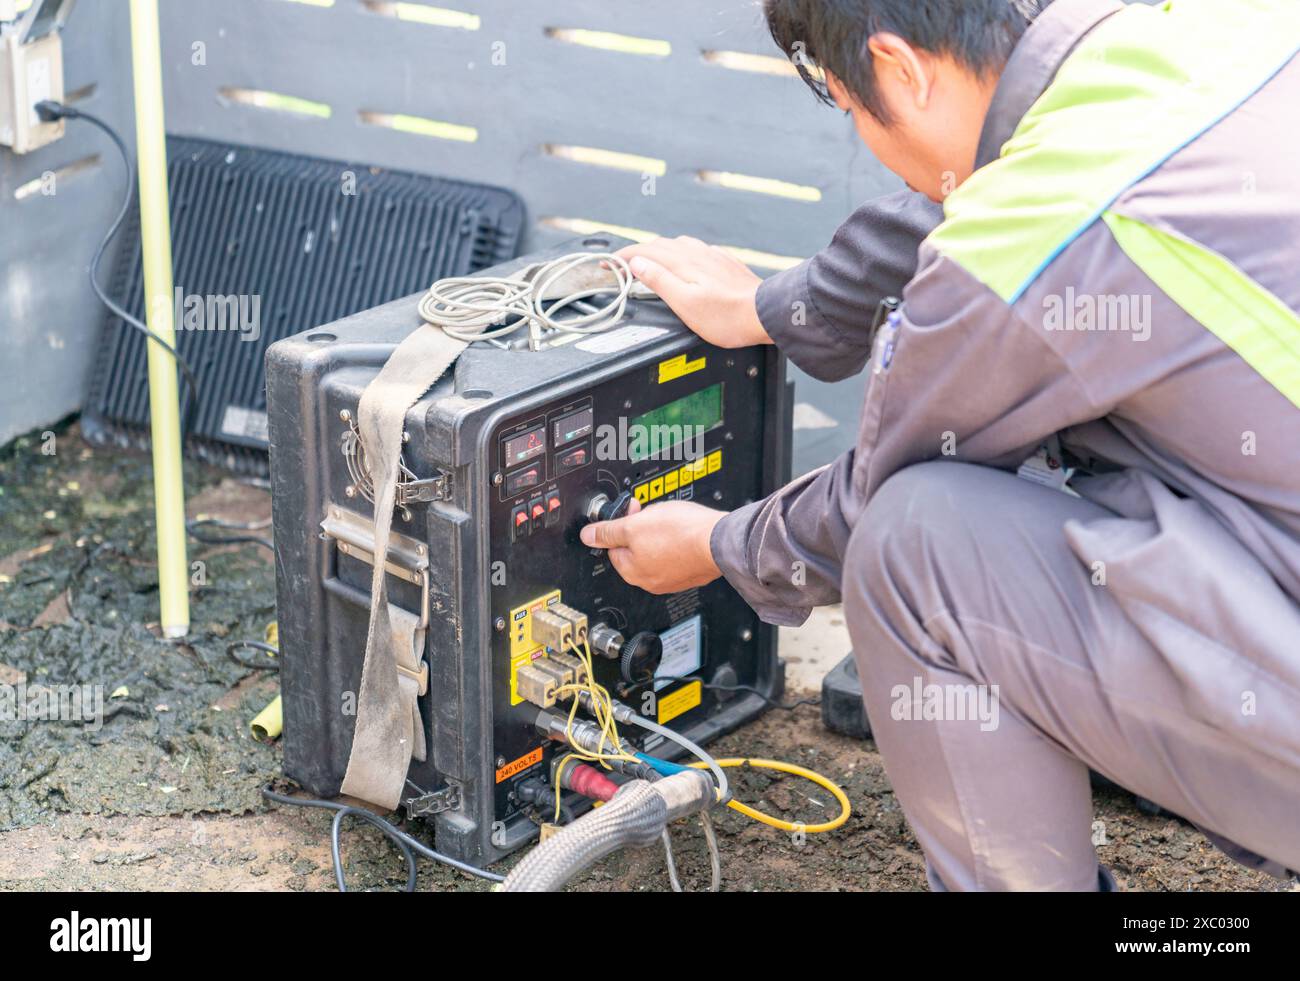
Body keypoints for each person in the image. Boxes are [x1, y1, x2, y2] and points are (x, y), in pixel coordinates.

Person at [579, 0, 1300, 890]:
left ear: (901, 70)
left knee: (918, 544)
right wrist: (776, 307)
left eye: (846, 103)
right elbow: (984, 202)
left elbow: (866, 500)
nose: (862, 133)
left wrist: (715, 544)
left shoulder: (1039, 228)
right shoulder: (1204, 40)